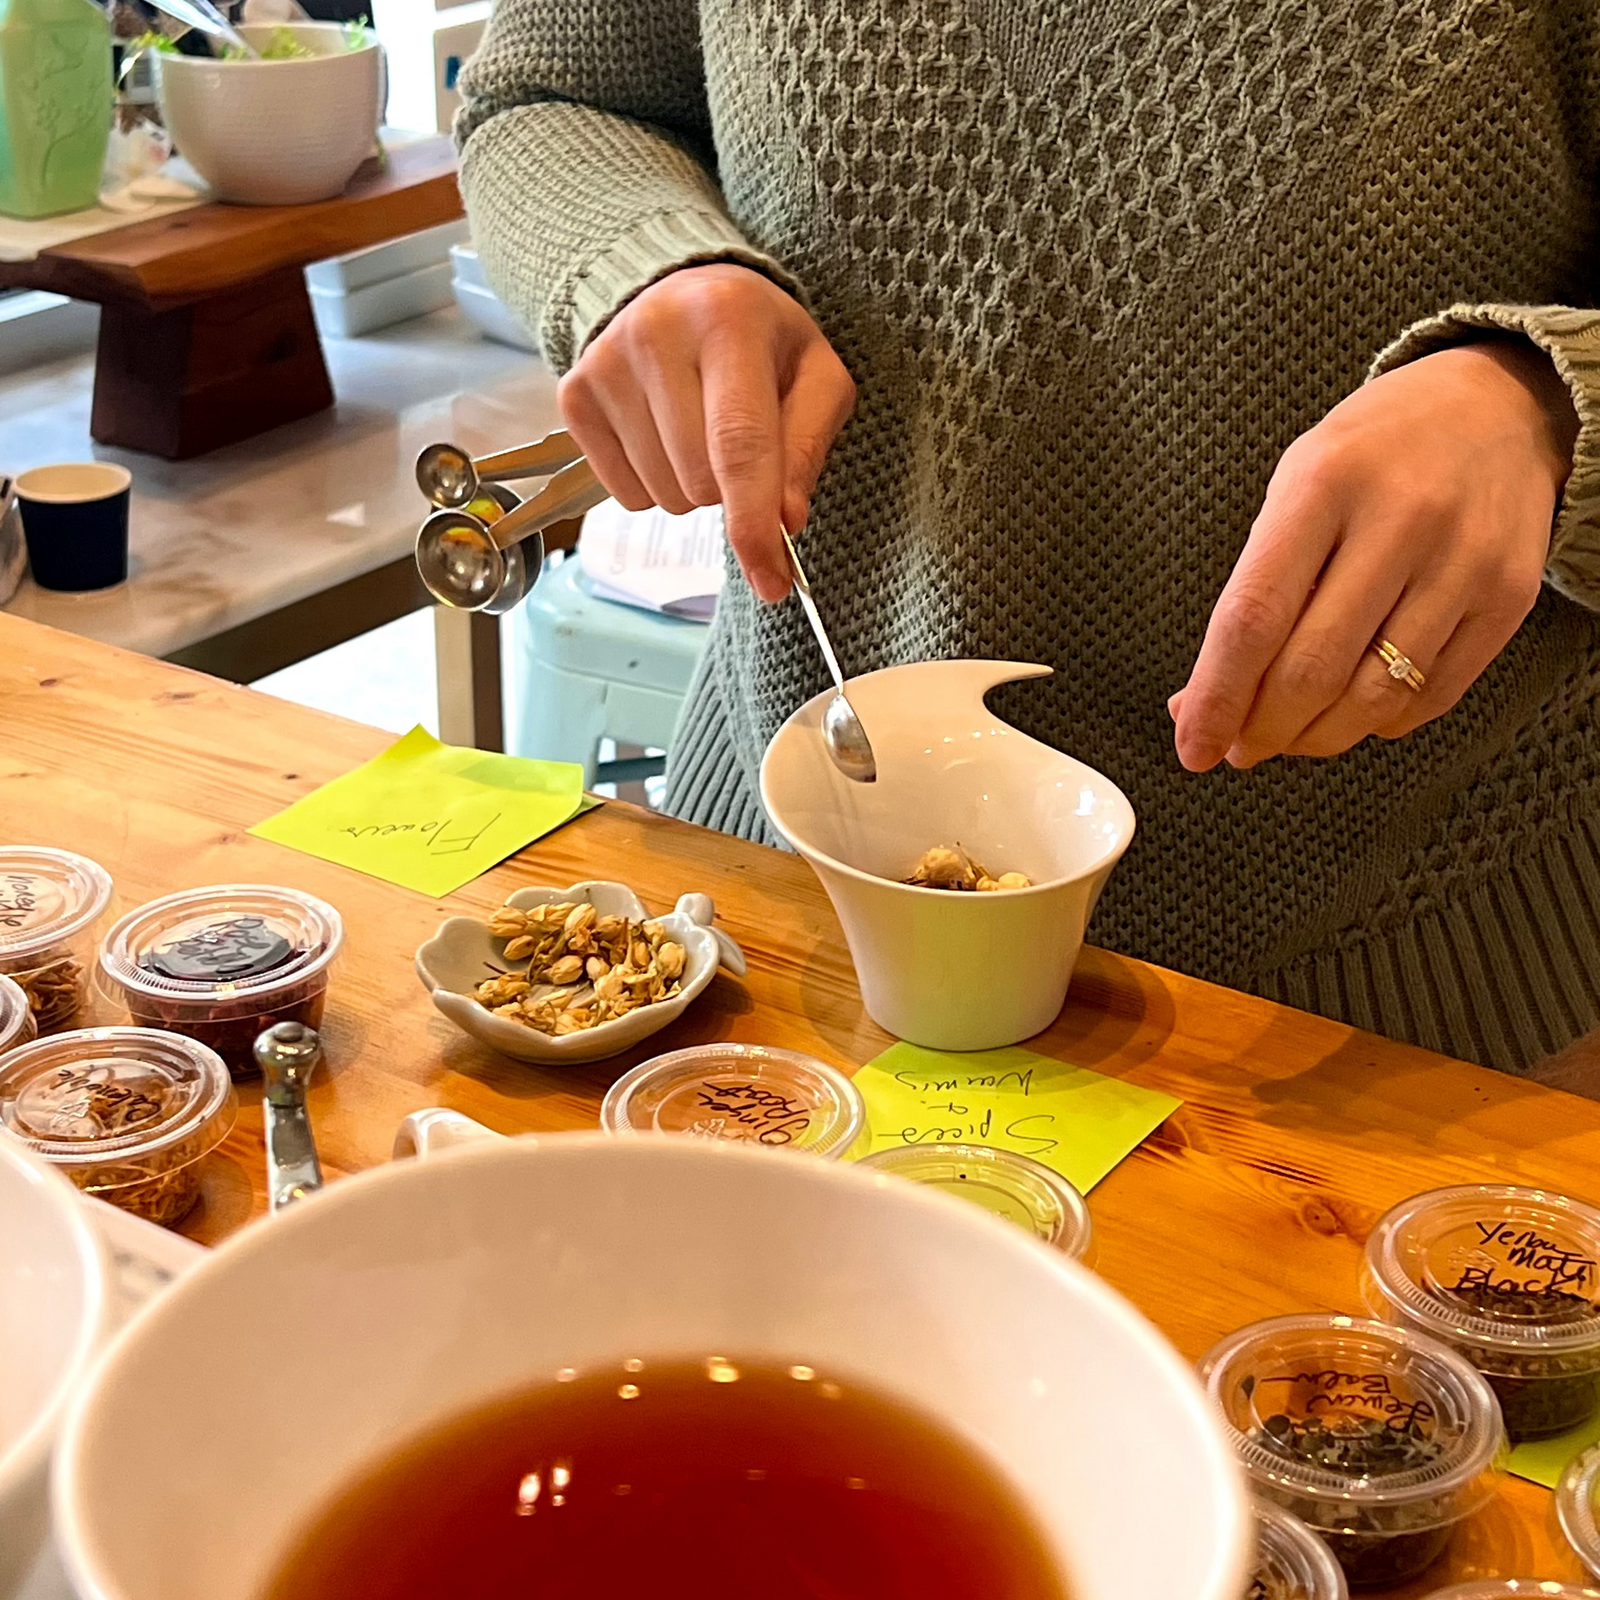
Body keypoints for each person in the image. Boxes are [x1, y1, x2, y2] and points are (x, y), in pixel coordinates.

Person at [455, 2, 1600, 1082]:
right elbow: (551, 94)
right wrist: (643, 257)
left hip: (1424, 985)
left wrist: (1542, 404)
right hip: (778, 910)